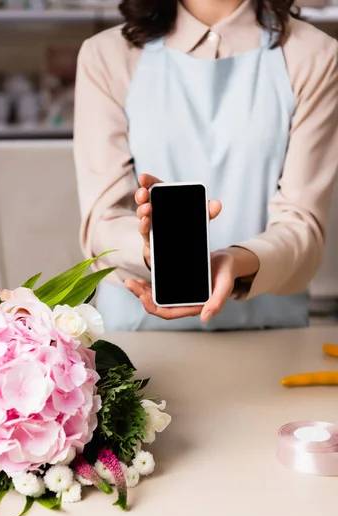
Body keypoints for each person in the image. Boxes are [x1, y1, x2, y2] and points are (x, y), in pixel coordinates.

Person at [74, 0, 338, 331]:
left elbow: (304, 225)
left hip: (269, 342)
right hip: (139, 347)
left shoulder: (313, 54)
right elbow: (102, 222)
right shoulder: (107, 55)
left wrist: (237, 261)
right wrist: (151, 252)